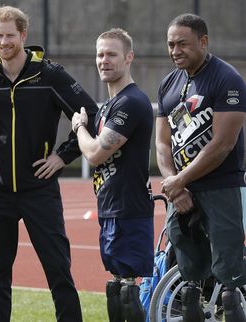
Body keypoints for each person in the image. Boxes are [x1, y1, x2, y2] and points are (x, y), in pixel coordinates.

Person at [0, 6, 98, 322]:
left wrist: (62, 157)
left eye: (10, 35)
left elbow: (91, 114)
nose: (4, 41)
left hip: (39, 190)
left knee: (58, 270)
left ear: (23, 35)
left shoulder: (49, 74)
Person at [155, 13, 246, 321]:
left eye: (183, 43)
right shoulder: (169, 83)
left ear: (203, 42)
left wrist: (180, 180)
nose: (175, 50)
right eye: (170, 44)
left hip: (222, 188)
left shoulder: (228, 80)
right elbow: (162, 144)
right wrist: (173, 184)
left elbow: (223, 145)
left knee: (231, 282)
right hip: (181, 192)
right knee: (190, 283)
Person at [72, 28, 154, 322]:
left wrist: (79, 127)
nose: (103, 60)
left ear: (129, 57)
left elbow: (95, 153)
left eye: (111, 54)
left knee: (127, 287)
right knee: (117, 285)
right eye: (100, 54)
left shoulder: (131, 102)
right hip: (111, 207)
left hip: (129, 209)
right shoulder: (110, 105)